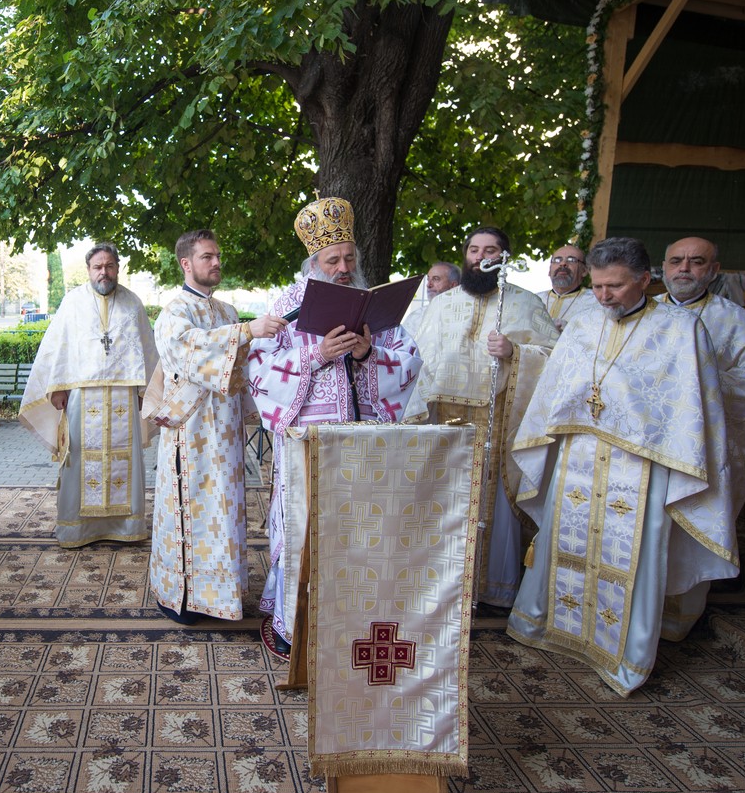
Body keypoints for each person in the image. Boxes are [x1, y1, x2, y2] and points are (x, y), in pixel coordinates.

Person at [506, 237, 736, 696]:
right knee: (565, 541)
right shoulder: (584, 324)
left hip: (640, 467)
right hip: (578, 457)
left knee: (628, 556)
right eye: (597, 286)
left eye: (615, 286)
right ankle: (548, 626)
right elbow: (556, 388)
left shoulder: (681, 329)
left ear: (645, 280)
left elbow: (691, 410)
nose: (603, 296)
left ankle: (622, 655)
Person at [246, 197, 422, 654]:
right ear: (314, 262)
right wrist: (316, 355)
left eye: (349, 258)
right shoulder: (287, 305)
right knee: (306, 533)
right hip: (310, 444)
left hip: (364, 447)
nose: (343, 267)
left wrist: (368, 354)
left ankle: (349, 624)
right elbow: (260, 373)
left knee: (357, 537)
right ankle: (295, 627)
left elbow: (409, 361)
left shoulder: (373, 301)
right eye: (332, 260)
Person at [404, 226, 559, 608]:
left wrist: (515, 352)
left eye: (490, 250)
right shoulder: (441, 305)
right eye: (474, 250)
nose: (481, 257)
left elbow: (556, 359)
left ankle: (491, 588)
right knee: (442, 502)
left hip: (498, 419)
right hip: (443, 421)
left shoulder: (523, 304)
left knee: (492, 509)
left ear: (504, 256)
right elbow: (416, 361)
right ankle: (439, 582)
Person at [145, 230, 285, 623]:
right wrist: (247, 332)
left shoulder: (226, 311)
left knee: (225, 511)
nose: (217, 262)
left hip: (225, 434)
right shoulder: (174, 312)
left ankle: (223, 595)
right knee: (190, 511)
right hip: (189, 437)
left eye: (218, 255)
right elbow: (189, 349)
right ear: (186, 264)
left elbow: (243, 366)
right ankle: (186, 597)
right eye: (207, 257)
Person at [658, 236, 745, 638]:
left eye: (696, 262)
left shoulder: (737, 322)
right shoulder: (641, 315)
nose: (684, 269)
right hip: (640, 449)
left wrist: (706, 381)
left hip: (699, 450)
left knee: (684, 527)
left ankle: (675, 622)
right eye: (676, 261)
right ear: (662, 268)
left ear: (714, 271)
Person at [19, 243, 159, 548]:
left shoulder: (132, 303)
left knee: (126, 459)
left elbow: (146, 349)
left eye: (110, 266)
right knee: (80, 458)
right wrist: (57, 387)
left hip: (124, 397)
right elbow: (59, 347)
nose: (104, 272)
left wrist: (145, 391)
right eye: (98, 267)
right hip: (83, 397)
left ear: (118, 268)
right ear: (88, 270)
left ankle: (125, 527)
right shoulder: (73, 302)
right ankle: (78, 529)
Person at [399, 260, 460, 335]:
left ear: (453, 285)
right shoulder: (416, 316)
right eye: (428, 279)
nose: (428, 285)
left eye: (436, 279)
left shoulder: (465, 315)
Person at [543, 244, 592, 331]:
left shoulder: (596, 301)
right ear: (549, 271)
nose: (563, 264)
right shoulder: (534, 299)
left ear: (584, 271)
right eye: (557, 260)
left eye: (571, 260)